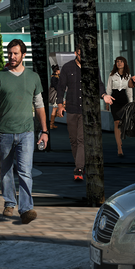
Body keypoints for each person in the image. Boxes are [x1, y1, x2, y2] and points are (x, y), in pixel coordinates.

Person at [0, 38, 48, 225]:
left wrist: (44, 131)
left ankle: (26, 208)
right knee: (5, 170)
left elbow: (39, 106)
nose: (11, 56)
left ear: (23, 55)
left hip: (27, 132)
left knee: (25, 171)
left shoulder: (33, 77)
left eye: (15, 53)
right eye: (9, 53)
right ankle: (9, 202)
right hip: (4, 132)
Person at [51, 51, 86, 182]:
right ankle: (80, 163)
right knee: (73, 139)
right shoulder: (67, 67)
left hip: (85, 110)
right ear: (77, 53)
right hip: (71, 108)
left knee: (81, 139)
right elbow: (61, 88)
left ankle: (79, 168)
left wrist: (104, 95)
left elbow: (98, 83)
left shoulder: (90, 67)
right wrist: (60, 105)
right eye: (81, 54)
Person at [105, 56, 133, 158]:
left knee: (122, 123)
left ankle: (120, 139)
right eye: (117, 62)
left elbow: (129, 91)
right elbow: (108, 89)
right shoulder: (112, 75)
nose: (119, 63)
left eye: (121, 62)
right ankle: (119, 147)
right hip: (114, 99)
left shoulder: (128, 76)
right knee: (116, 122)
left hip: (124, 100)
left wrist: (131, 104)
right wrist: (107, 102)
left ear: (124, 63)